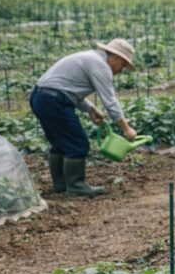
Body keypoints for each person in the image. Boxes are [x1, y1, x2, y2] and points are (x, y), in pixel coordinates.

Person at [30, 39, 139, 197]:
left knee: (60, 143)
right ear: (117, 58)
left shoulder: (90, 58)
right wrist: (126, 128)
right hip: (53, 100)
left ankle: (61, 185)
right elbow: (110, 101)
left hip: (40, 97)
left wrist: (90, 108)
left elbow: (66, 87)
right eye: (123, 65)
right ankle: (76, 186)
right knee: (78, 143)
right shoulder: (101, 66)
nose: (121, 70)